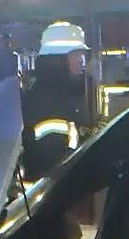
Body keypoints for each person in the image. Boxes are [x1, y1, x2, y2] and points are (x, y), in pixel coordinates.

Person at [19, 22, 90, 180]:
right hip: (57, 197)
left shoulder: (63, 95)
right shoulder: (46, 102)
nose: (82, 61)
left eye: (82, 55)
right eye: (76, 55)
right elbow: (54, 160)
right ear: (57, 59)